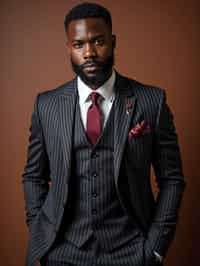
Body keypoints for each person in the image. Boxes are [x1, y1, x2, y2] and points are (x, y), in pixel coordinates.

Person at [22, 2, 185, 266]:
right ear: (69, 48)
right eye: (79, 45)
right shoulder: (46, 105)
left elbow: (172, 179)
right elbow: (33, 176)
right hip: (63, 251)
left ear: (113, 41)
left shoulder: (150, 101)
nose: (89, 52)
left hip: (132, 251)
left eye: (98, 41)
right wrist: (42, 231)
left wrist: (155, 247)